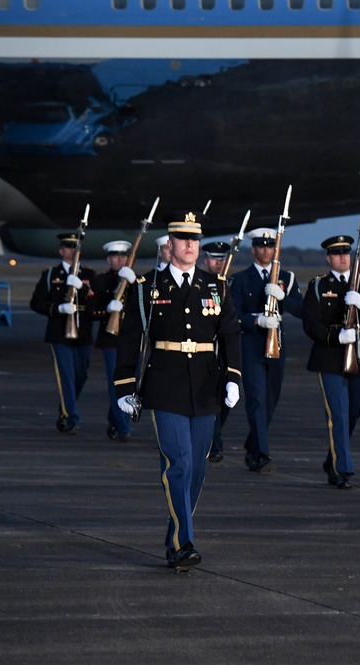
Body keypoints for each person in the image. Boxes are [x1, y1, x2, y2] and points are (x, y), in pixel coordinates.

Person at [114, 211, 242, 571]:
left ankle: (174, 538)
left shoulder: (216, 286)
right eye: (183, 239)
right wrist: (125, 385)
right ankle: (184, 542)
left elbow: (230, 334)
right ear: (170, 245)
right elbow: (131, 338)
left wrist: (232, 377)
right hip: (165, 383)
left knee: (197, 469)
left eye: (194, 240)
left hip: (205, 384)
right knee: (179, 463)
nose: (190, 245)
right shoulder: (147, 287)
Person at [301, 234, 360, 490]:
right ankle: (342, 469)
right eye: (337, 253)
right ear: (328, 258)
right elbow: (310, 324)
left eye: (346, 252)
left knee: (353, 412)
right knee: (338, 413)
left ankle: (333, 458)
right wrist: (335, 335)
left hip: (358, 354)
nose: (343, 257)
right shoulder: (317, 286)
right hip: (329, 356)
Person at [230, 228, 304, 473]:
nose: (265, 250)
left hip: (276, 346)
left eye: (270, 246)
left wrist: (282, 298)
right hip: (251, 346)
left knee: (271, 400)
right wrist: (256, 321)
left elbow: (301, 309)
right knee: (257, 399)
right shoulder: (240, 280)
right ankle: (262, 454)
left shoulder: (287, 277)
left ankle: (253, 445)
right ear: (253, 249)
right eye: (261, 246)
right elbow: (233, 315)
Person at [29, 231, 95, 434]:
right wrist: (58, 308)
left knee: (80, 375)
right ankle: (70, 417)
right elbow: (36, 303)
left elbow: (95, 302)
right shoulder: (51, 275)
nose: (72, 250)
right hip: (59, 333)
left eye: (76, 247)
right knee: (66, 376)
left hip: (82, 333)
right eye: (68, 247)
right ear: (61, 251)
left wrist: (81, 290)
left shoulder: (88, 275)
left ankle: (66, 406)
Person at [88, 240, 137, 442]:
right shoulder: (100, 281)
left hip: (131, 340)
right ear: (109, 259)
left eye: (124, 256)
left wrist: (133, 284)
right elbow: (91, 311)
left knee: (129, 386)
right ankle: (124, 427)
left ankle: (115, 420)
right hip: (110, 340)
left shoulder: (136, 281)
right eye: (116, 256)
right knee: (115, 384)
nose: (120, 259)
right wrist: (107, 310)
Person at [200, 240, 232, 462]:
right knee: (209, 399)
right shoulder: (201, 284)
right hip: (206, 349)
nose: (218, 263)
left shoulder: (231, 284)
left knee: (224, 400)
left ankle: (214, 438)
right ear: (205, 260)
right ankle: (214, 444)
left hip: (225, 351)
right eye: (214, 258)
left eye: (222, 259)